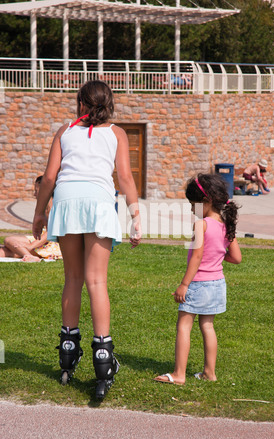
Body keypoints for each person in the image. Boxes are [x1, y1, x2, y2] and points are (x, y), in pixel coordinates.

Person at [32, 80, 141, 400]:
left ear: (81, 103)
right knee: (96, 282)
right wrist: (135, 216)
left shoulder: (65, 130)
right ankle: (103, 358)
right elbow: (124, 178)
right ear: (108, 104)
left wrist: (40, 214)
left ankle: (68, 353)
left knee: (72, 279)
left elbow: (49, 176)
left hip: (66, 201)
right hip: (98, 202)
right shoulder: (117, 133)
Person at [154, 173, 241, 385]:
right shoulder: (226, 225)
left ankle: (179, 374)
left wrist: (184, 284)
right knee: (208, 327)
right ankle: (209, 373)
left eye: (193, 204)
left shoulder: (201, 225)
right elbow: (237, 258)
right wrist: (218, 256)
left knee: (184, 326)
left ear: (206, 201)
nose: (192, 209)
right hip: (217, 284)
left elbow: (197, 257)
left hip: (198, 284)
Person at [0, 175, 62, 262]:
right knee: (7, 247)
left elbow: (51, 233)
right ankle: (27, 255)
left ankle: (28, 256)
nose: (34, 194)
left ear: (44, 188)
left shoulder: (55, 208)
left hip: (53, 244)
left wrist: (31, 245)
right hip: (43, 241)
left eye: (36, 191)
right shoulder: (44, 209)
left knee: (9, 241)